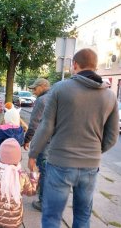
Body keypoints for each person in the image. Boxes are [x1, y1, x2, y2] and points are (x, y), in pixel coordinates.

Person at [28, 48, 119, 228]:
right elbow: (112, 136)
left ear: (75, 65)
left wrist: (33, 153)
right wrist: (93, 152)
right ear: (95, 66)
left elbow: (46, 126)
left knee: (52, 217)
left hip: (60, 163)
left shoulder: (60, 89)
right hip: (90, 167)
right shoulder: (110, 96)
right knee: (83, 217)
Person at [23, 78, 50, 211]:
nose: (33, 91)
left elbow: (34, 123)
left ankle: (43, 202)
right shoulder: (55, 97)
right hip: (56, 142)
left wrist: (27, 139)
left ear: (43, 86)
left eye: (35, 88)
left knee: (43, 170)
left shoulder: (41, 100)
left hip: (44, 141)